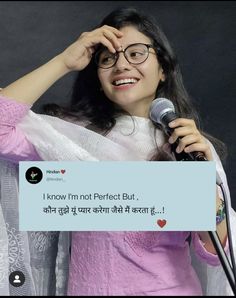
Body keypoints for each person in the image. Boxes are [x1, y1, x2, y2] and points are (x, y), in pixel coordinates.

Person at [0, 7, 235, 296]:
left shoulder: (187, 145)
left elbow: (214, 254)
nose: (121, 65)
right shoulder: (70, 139)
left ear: (163, 69)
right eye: (108, 58)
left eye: (136, 54)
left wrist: (205, 186)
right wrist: (63, 61)